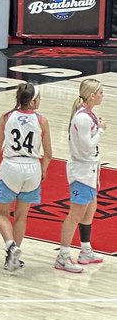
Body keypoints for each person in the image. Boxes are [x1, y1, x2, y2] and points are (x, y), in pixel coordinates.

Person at [0, 83, 52, 273]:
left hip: (11, 167)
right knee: (21, 215)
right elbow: (48, 153)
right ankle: (12, 260)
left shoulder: (7, 117)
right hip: (32, 167)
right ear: (32, 102)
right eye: (39, 98)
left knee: (1, 213)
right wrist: (44, 170)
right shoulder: (42, 120)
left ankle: (11, 247)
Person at [56, 78, 106, 273]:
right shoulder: (83, 118)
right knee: (75, 215)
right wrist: (101, 130)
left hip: (90, 168)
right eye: (101, 92)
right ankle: (63, 256)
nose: (103, 95)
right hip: (82, 170)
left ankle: (85, 250)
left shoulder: (88, 114)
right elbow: (87, 146)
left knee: (90, 209)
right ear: (92, 95)